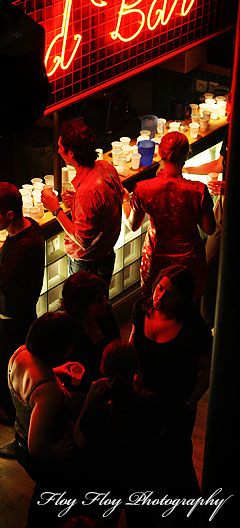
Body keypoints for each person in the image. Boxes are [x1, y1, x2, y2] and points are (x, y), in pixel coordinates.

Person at [0, 182, 45, 458]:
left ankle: (22, 438)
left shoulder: (24, 246)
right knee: (12, 378)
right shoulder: (28, 228)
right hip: (17, 318)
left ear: (10, 215)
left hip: (11, 324)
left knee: (10, 381)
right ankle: (14, 415)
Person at [130, 265, 212, 508]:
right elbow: (133, 342)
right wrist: (131, 376)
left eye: (170, 294)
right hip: (143, 398)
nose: (160, 297)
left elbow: (207, 369)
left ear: (183, 299)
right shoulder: (141, 308)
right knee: (145, 457)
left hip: (176, 404)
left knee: (177, 461)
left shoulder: (194, 328)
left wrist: (190, 402)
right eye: (159, 288)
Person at [73, 340, 167, 527]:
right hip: (143, 478)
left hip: (105, 479)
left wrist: (88, 402)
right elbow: (159, 436)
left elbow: (79, 440)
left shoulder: (98, 414)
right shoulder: (153, 403)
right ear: (136, 366)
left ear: (103, 368)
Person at [8, 312, 83, 528]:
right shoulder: (48, 392)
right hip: (43, 457)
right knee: (51, 501)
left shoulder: (20, 353)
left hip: (19, 435)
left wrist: (56, 372)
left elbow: (30, 379)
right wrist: (54, 452)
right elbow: (36, 446)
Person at [122, 131, 216, 298]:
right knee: (186, 306)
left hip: (157, 259)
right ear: (186, 155)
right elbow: (209, 228)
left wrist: (124, 201)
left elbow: (133, 225)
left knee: (155, 302)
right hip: (189, 260)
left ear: (160, 154)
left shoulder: (143, 189)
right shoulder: (198, 190)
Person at [41, 119, 124, 291]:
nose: (57, 151)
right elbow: (103, 206)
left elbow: (83, 240)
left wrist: (55, 210)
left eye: (60, 148)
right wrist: (77, 201)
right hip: (107, 254)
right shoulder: (105, 166)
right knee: (100, 304)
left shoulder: (87, 192)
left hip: (88, 264)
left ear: (70, 154)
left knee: (87, 311)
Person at [184, 127, 228, 326]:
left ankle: (207, 325)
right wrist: (187, 168)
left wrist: (229, 186)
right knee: (209, 265)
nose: (228, 113)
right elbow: (220, 164)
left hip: (227, 206)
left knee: (210, 264)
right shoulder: (230, 132)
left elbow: (208, 228)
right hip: (223, 203)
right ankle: (206, 321)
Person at [59, 271, 120, 393]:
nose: (105, 303)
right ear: (81, 305)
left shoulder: (105, 315)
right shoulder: (67, 333)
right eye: (98, 301)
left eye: (104, 297)